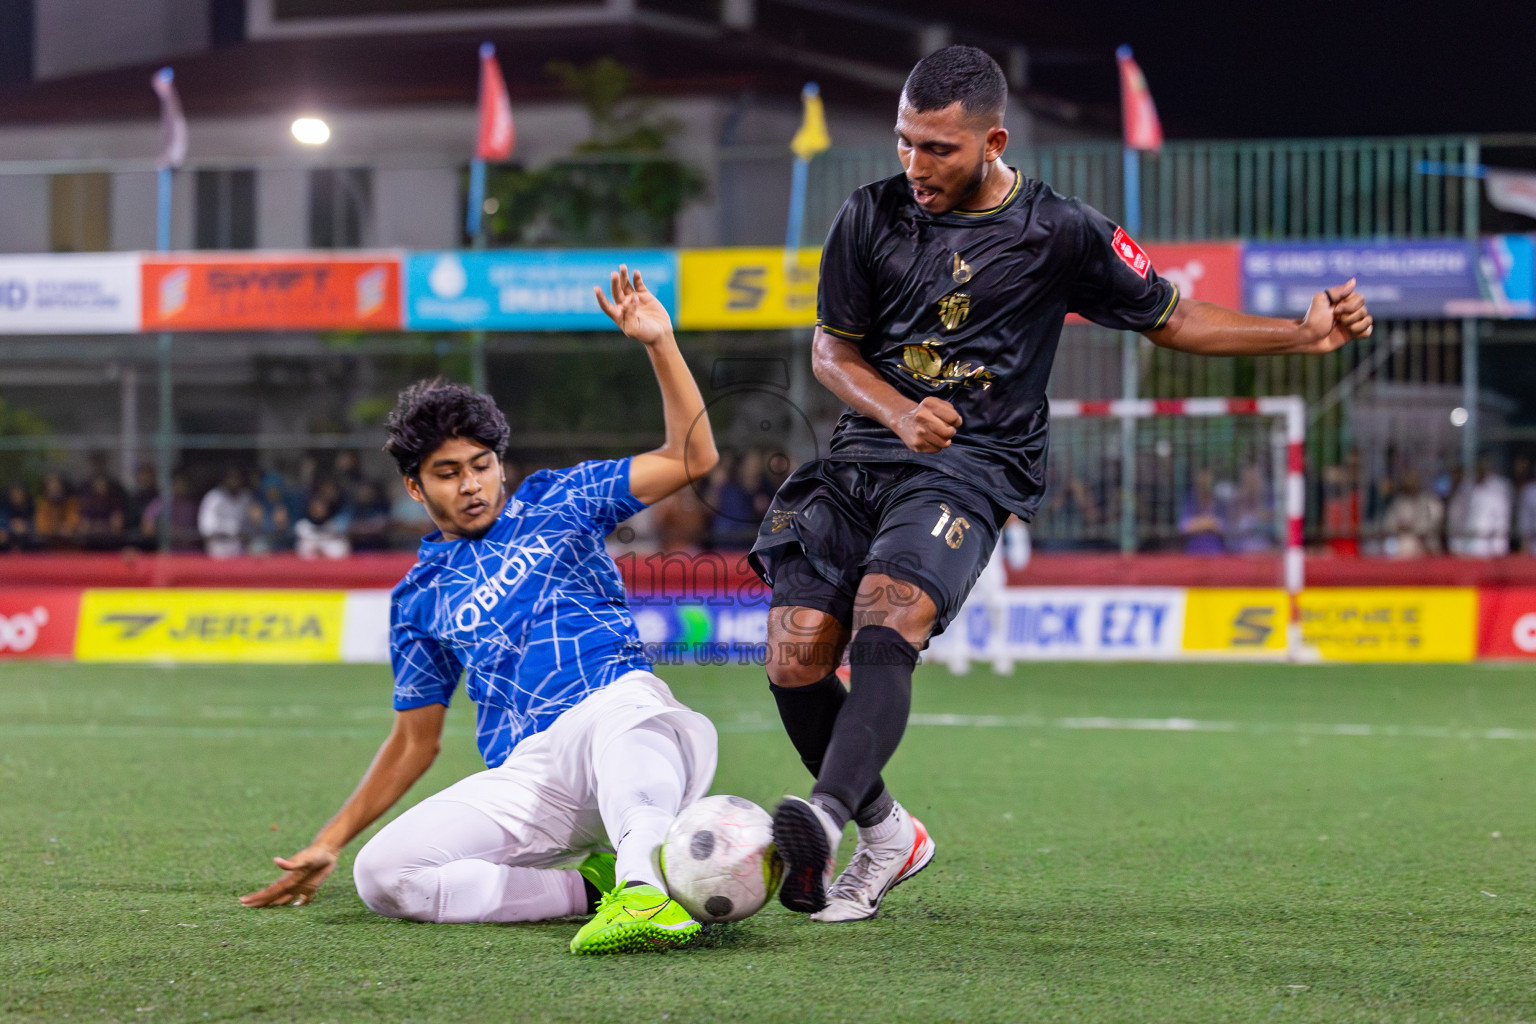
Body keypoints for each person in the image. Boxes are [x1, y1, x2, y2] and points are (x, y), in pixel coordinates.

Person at [749, 45, 1375, 923]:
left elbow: (1173, 314)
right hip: (864, 453)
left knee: (890, 614)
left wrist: (1299, 335)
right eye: (905, 143)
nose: (916, 166)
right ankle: (890, 834)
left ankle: (820, 815)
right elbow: (831, 350)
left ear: (993, 139)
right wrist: (896, 412)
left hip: (972, 465)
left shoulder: (1063, 230)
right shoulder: (868, 216)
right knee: (794, 653)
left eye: (939, 149)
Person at [240, 266, 722, 956]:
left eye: (481, 464)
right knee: (386, 876)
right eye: (447, 472)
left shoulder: (563, 499)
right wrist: (330, 842)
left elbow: (692, 455)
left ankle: (646, 892)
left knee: (624, 723)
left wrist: (659, 343)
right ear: (414, 485)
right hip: (531, 772)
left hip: (617, 708)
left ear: (501, 462)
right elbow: (415, 742)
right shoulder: (418, 597)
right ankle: (593, 891)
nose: (471, 485)